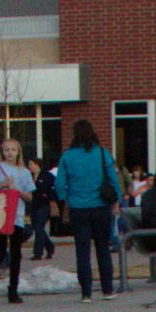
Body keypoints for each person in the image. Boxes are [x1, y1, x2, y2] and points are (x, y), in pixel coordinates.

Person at [54, 119, 122, 301]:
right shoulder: (101, 153)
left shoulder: (67, 156)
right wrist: (117, 200)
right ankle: (107, 290)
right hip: (100, 206)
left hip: (78, 208)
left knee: (82, 251)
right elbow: (113, 178)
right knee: (103, 248)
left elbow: (59, 183)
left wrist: (65, 200)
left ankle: (86, 293)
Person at [0, 138, 36, 304]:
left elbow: (30, 196)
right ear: (2, 152)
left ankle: (13, 289)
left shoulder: (25, 172)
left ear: (18, 151)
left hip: (17, 216)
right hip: (1, 214)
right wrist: (3, 184)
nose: (10, 153)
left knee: (16, 254)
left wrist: (17, 191)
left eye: (13, 150)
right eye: (6, 150)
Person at [29, 158, 57, 261]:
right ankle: (50, 246)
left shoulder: (47, 176)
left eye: (31, 164)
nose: (30, 166)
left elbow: (54, 189)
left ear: (37, 165)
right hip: (33, 205)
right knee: (36, 227)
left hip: (45, 205)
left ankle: (38, 253)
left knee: (39, 226)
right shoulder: (29, 176)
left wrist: (48, 195)